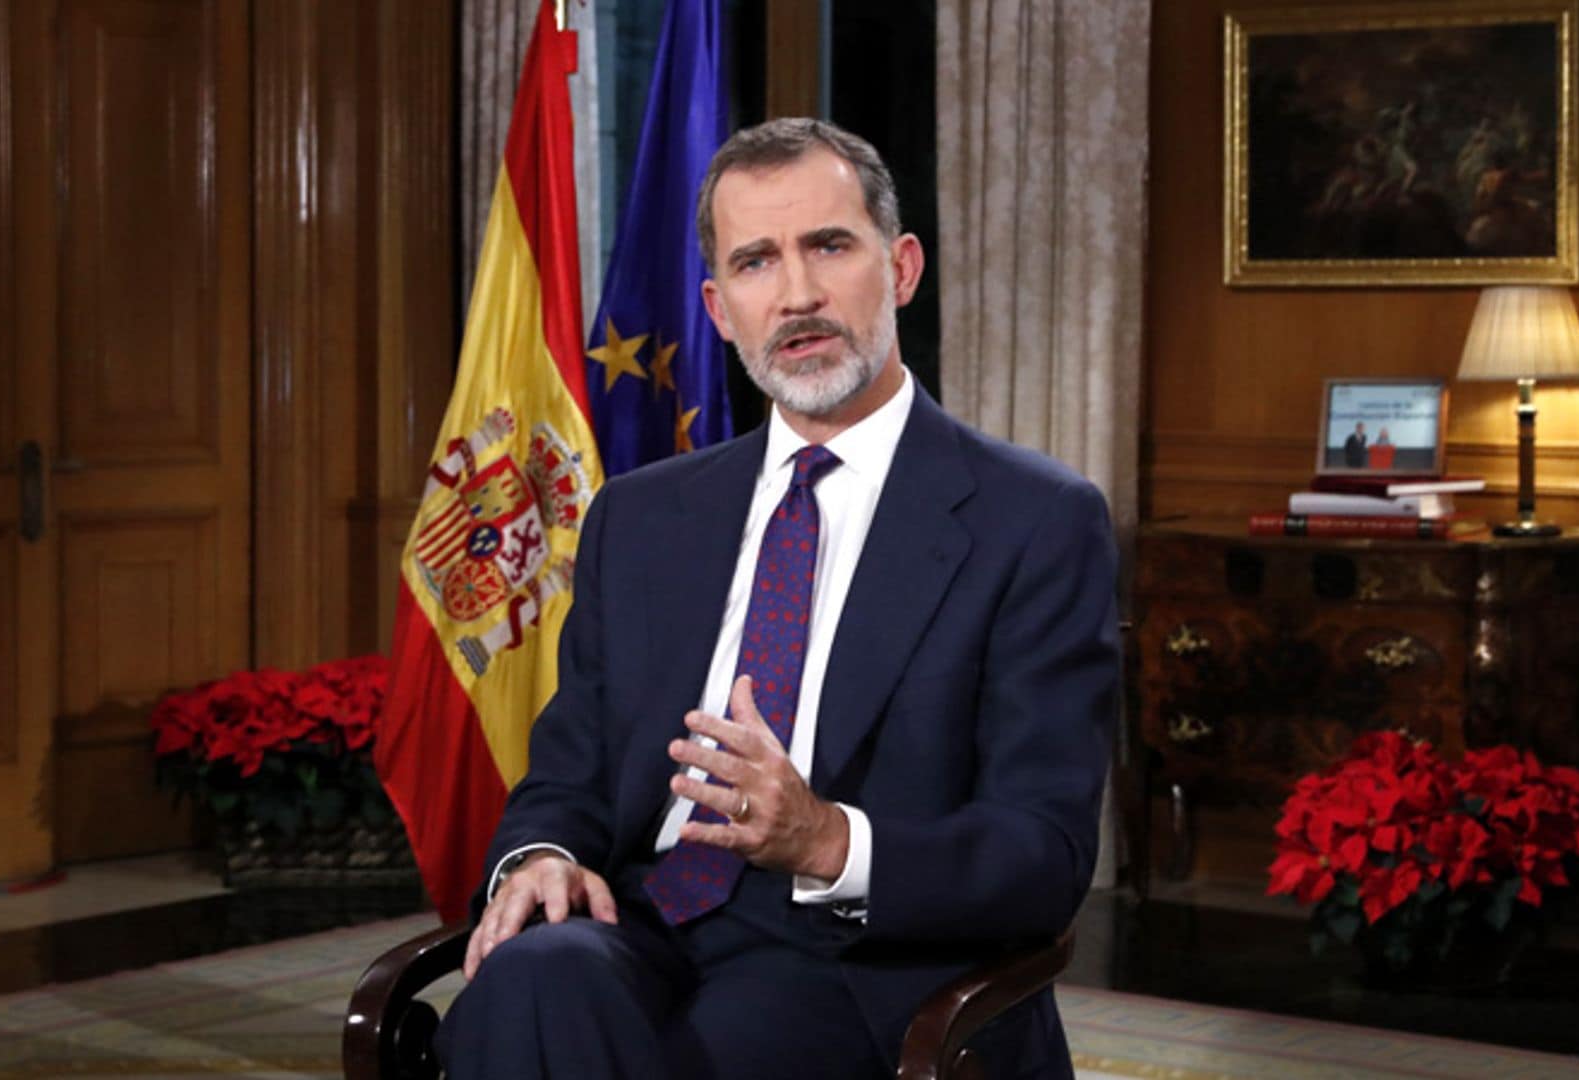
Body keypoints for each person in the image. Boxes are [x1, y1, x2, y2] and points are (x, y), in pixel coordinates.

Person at [435, 118, 1120, 1079]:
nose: (796, 294)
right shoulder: (639, 517)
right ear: (719, 307)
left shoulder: (1035, 520)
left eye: (829, 246)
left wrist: (822, 838)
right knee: (532, 980)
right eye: (757, 262)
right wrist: (538, 856)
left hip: (856, 961)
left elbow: (1041, 854)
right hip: (645, 921)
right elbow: (569, 771)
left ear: (903, 267)